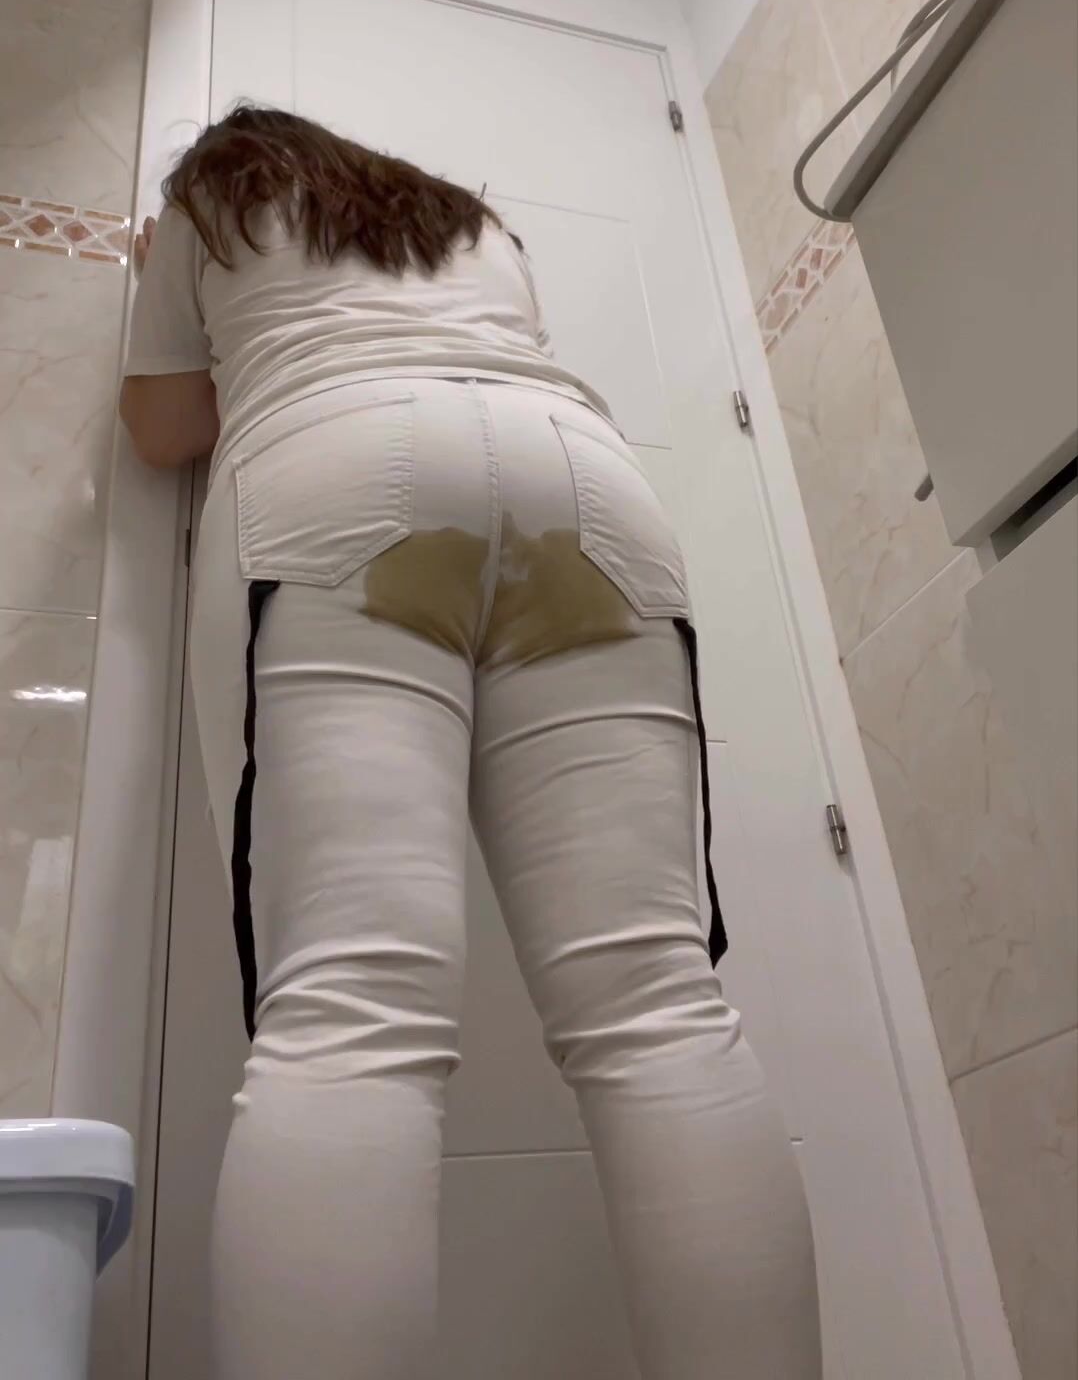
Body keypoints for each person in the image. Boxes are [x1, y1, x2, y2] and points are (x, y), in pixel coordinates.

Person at [121, 104, 821, 1380]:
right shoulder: (476, 229)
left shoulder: (211, 205)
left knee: (352, 1011)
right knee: (659, 1006)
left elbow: (162, 431)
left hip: (338, 479)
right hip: (582, 485)